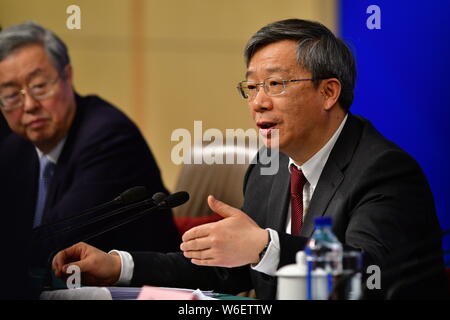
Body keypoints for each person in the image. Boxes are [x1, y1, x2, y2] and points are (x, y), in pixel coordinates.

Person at [52, 19, 447, 299]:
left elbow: (366, 274)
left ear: (328, 93)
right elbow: (231, 267)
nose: (257, 102)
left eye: (275, 84)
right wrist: (119, 265)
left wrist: (263, 245)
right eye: (252, 86)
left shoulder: (385, 172)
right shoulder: (269, 168)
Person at [0, 22, 181, 271]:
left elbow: (56, 241)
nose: (29, 104)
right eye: (11, 95)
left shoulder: (109, 137)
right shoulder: (14, 149)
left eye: (39, 86)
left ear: (68, 76)